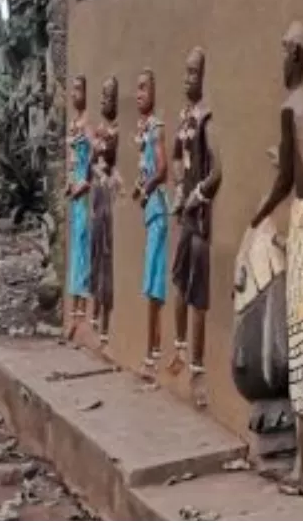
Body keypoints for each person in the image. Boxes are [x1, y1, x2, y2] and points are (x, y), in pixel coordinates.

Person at [250, 22, 303, 496]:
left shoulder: (293, 106)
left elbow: (299, 175)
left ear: (294, 56)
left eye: (284, 51)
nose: (281, 60)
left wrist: (256, 216)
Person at [168, 48, 220, 402]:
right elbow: (175, 157)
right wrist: (177, 185)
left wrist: (197, 194)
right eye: (185, 73)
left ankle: (198, 369)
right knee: (178, 280)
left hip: (199, 218)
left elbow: (218, 170)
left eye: (194, 73)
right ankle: (180, 349)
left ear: (203, 77)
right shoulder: (184, 118)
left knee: (198, 292)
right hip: (183, 216)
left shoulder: (205, 120)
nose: (189, 79)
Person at [132, 69, 169, 379]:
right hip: (150, 210)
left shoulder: (156, 128)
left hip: (158, 209)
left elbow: (162, 168)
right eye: (138, 88)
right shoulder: (145, 129)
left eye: (144, 88)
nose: (139, 93)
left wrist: (145, 190)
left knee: (154, 281)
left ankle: (153, 352)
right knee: (151, 279)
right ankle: (151, 350)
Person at [89, 76, 120, 353]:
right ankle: (95, 315)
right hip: (97, 201)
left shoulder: (115, 133)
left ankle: (106, 327)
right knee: (95, 256)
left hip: (107, 203)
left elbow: (109, 165)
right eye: (102, 97)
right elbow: (91, 166)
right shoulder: (100, 132)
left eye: (109, 97)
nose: (104, 102)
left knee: (106, 259)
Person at [66, 74, 93, 328]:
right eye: (72, 90)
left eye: (78, 89)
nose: (75, 94)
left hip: (83, 194)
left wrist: (84, 183)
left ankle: (82, 308)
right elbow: (72, 160)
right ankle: (74, 306)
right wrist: (69, 182)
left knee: (83, 247)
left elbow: (96, 158)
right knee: (75, 247)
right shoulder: (74, 123)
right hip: (74, 194)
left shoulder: (86, 125)